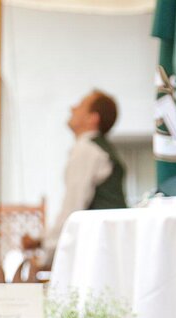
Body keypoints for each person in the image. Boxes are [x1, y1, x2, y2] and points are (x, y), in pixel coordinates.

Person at [30, 90, 128, 256]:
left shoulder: (87, 150)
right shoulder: (98, 148)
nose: (72, 108)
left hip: (100, 245)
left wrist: (45, 248)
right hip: (113, 240)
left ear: (93, 118)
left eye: (80, 105)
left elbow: (73, 208)